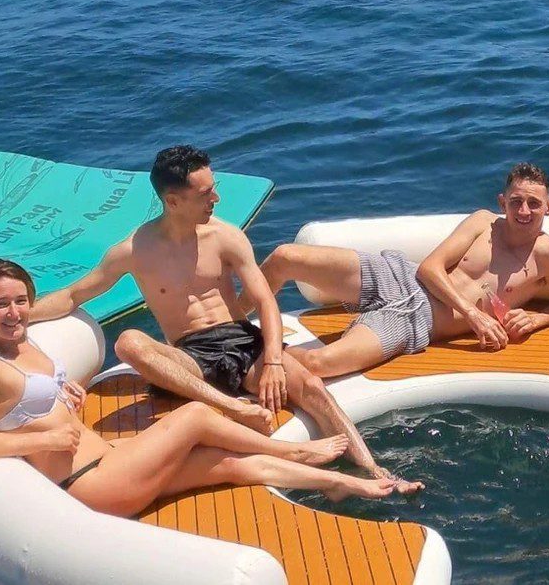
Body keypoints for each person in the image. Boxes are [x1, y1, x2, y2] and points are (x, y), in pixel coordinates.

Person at [32, 146, 422, 494]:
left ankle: (371, 469)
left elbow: (265, 300)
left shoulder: (226, 237)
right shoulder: (134, 250)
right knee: (128, 342)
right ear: (173, 200)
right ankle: (232, 406)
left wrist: (271, 361)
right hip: (189, 354)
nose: (216, 198)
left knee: (313, 387)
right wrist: (22, 316)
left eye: (213, 188)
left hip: (241, 341)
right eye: (205, 194)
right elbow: (73, 295)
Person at [0, 259, 396, 517]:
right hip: (90, 483)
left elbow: (20, 401)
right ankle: (295, 451)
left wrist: (60, 391)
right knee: (197, 416)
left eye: (21, 301)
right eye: (1, 305)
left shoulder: (23, 346)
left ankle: (337, 483)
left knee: (231, 465)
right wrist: (47, 435)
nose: (14, 313)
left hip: (112, 462)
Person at [256, 163, 549, 378]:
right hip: (400, 276)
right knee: (285, 256)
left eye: (534, 204)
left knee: (318, 363)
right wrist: (473, 315)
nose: (524, 211)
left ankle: (242, 362)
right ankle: (229, 322)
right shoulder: (483, 222)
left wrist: (538, 319)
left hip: (414, 321)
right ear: (502, 202)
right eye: (516, 202)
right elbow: (430, 268)